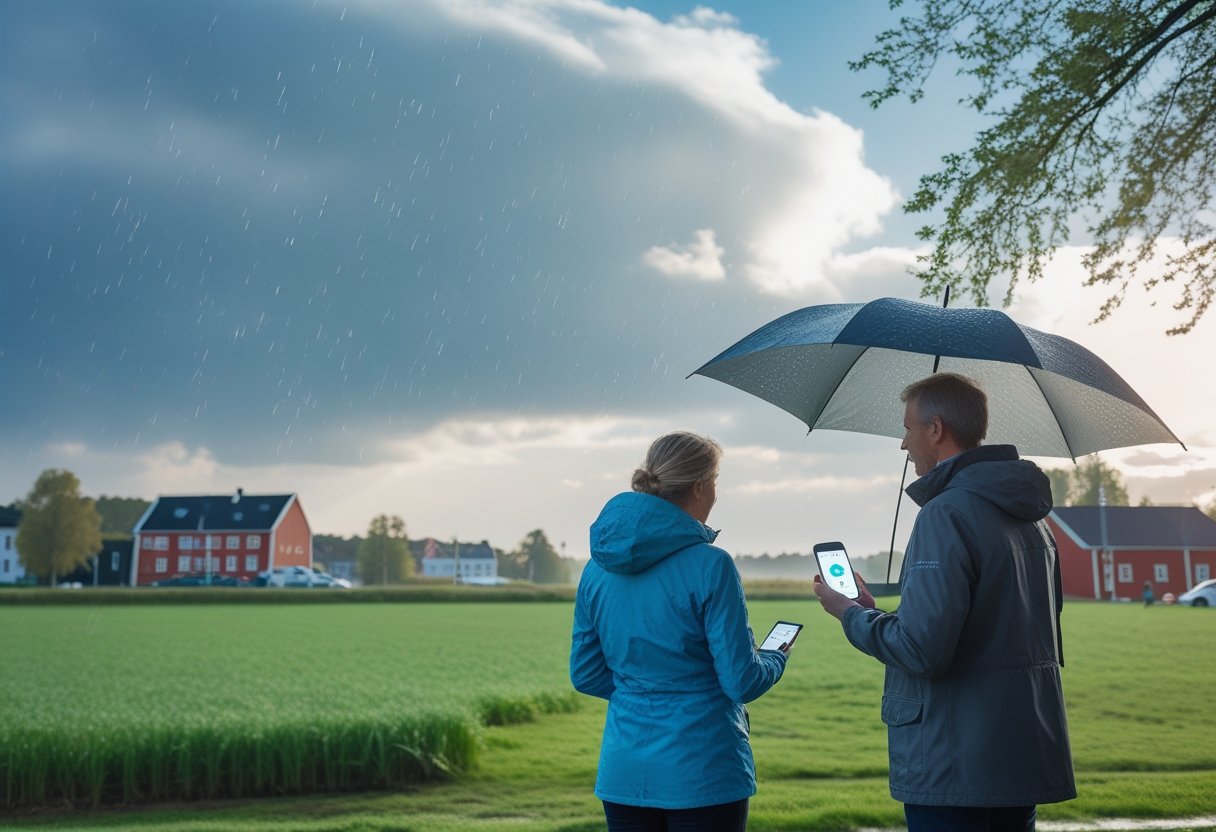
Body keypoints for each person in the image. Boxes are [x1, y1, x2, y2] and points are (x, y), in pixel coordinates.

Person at [814, 373, 1075, 832]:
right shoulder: (1033, 520)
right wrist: (878, 611)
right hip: (1019, 756)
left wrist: (851, 614)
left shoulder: (946, 514)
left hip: (954, 763)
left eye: (908, 428)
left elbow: (922, 649)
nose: (903, 444)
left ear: (936, 429)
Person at [570, 431, 789, 832]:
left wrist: (642, 692)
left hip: (623, 772)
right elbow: (741, 681)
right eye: (717, 482)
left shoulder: (595, 569)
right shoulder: (712, 565)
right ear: (701, 486)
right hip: (704, 771)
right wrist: (777, 656)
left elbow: (584, 674)